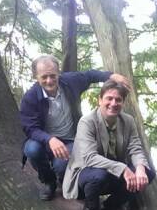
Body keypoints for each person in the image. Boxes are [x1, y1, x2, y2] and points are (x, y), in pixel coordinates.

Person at [19, 55, 129, 200]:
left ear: (59, 73)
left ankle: (65, 180)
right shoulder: (30, 97)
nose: (49, 81)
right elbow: (30, 128)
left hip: (71, 140)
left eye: (53, 76)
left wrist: (112, 76)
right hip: (45, 141)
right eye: (44, 77)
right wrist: (49, 139)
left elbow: (90, 75)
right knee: (31, 149)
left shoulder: (70, 82)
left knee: (61, 166)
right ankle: (48, 181)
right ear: (36, 76)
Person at [62, 80, 154, 210]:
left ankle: (111, 208)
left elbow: (135, 148)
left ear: (123, 102)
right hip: (86, 173)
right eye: (109, 98)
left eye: (118, 100)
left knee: (147, 173)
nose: (113, 103)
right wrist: (123, 168)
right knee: (99, 175)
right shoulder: (87, 122)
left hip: (112, 173)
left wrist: (141, 168)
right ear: (100, 100)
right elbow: (90, 158)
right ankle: (91, 208)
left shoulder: (128, 121)